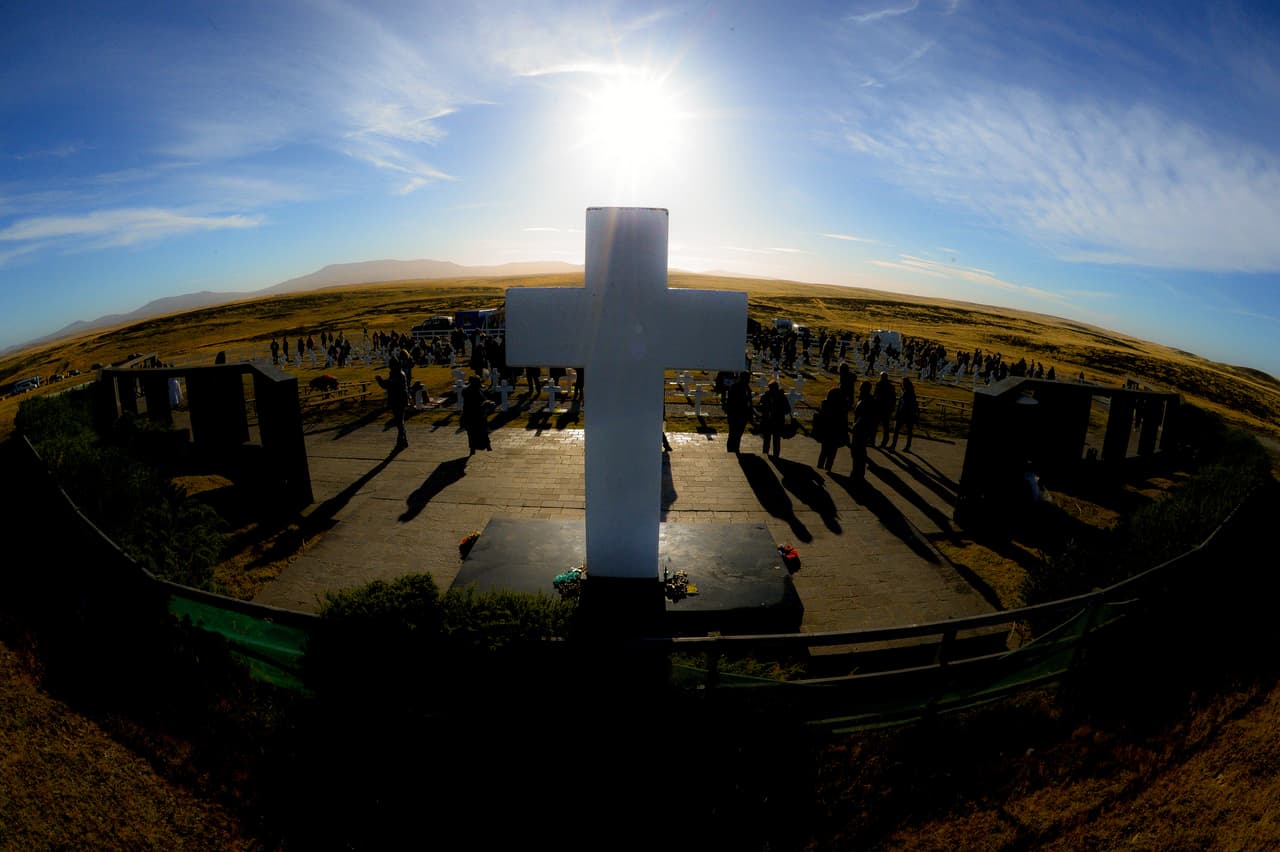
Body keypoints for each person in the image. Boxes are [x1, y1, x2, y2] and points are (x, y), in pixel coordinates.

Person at [815, 386, 849, 471]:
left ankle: (819, 468)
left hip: (826, 432)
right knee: (832, 454)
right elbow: (844, 423)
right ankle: (828, 469)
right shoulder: (841, 408)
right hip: (836, 433)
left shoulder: (825, 405)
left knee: (823, 452)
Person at [850, 381, 876, 481]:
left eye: (861, 388)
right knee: (857, 451)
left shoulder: (868, 400)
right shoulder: (865, 399)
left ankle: (858, 473)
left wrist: (856, 425)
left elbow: (865, 416)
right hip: (861, 429)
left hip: (861, 430)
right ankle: (857, 472)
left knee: (858, 451)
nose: (859, 389)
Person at [383, 352, 410, 451]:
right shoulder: (397, 374)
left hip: (399, 400)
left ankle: (400, 441)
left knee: (399, 422)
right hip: (398, 400)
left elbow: (390, 385)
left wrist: (381, 381)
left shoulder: (398, 374)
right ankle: (404, 440)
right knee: (400, 421)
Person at [758, 380, 789, 458]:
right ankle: (775, 456)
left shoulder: (766, 396)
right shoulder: (781, 396)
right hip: (777, 421)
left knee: (768, 440)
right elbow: (787, 409)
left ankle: (766, 455)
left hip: (769, 421)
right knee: (775, 440)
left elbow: (760, 408)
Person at [461, 375, 491, 455]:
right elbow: (479, 402)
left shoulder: (467, 391)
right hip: (475, 415)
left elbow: (483, 398)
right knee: (479, 431)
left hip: (471, 415)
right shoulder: (473, 392)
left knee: (473, 433)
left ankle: (475, 448)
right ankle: (483, 446)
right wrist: (486, 403)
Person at [724, 371, 753, 453]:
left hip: (743, 416)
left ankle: (736, 448)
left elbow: (749, 402)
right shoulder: (735, 387)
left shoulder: (747, 387)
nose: (749, 380)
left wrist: (750, 414)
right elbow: (731, 402)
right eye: (747, 378)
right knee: (733, 434)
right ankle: (731, 450)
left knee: (739, 434)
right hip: (735, 415)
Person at [890, 376, 918, 452]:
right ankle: (898, 445)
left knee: (901, 430)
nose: (902, 384)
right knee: (902, 431)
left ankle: (897, 445)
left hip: (906, 414)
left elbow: (905, 404)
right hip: (904, 414)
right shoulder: (906, 391)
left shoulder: (908, 393)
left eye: (903, 383)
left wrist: (899, 413)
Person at [874, 371, 896, 447]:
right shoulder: (890, 386)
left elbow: (875, 396)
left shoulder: (879, 384)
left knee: (876, 425)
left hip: (880, 407)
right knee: (885, 426)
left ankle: (873, 440)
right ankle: (884, 441)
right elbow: (893, 398)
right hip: (885, 408)